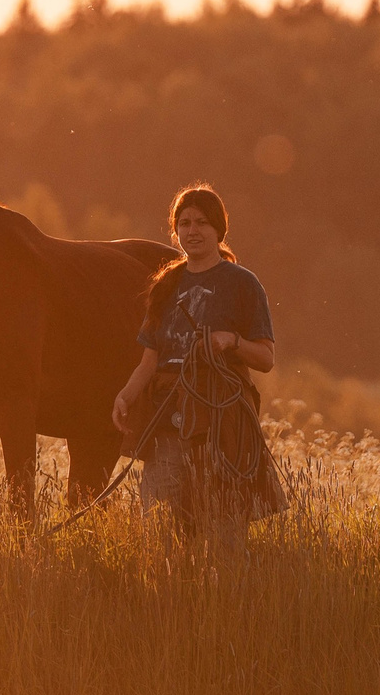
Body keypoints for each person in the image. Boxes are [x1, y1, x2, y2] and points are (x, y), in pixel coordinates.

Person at [110, 184, 286, 551]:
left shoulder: (243, 283)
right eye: (185, 222)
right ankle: (169, 601)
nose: (193, 231)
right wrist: (126, 396)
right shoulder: (165, 286)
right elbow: (150, 358)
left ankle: (223, 600)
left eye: (202, 222)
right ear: (175, 232)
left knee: (224, 530)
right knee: (158, 531)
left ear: (219, 229)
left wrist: (231, 342)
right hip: (167, 419)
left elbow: (266, 359)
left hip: (222, 423)